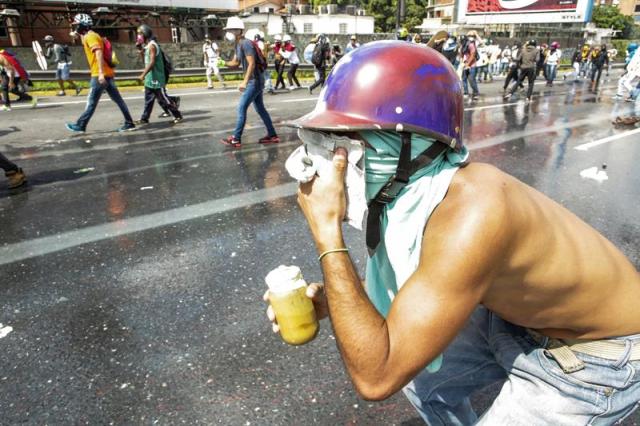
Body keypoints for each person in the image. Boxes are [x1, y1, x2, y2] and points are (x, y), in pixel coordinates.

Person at [266, 40, 640, 425]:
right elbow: (418, 278)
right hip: (521, 320)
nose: (335, 167)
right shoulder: (418, 191)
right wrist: (338, 300)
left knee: (400, 366)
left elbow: (376, 377)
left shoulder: (473, 212)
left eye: (349, 148)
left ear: (412, 146)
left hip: (597, 353)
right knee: (424, 381)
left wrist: (328, 234)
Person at [65, 14, 135, 133]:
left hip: (99, 74)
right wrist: (77, 35)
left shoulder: (91, 37)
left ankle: (81, 125)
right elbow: (85, 41)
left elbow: (98, 53)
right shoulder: (91, 35)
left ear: (83, 25)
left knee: (91, 102)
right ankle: (129, 123)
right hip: (107, 74)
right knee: (118, 100)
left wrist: (101, 73)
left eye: (77, 25)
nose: (75, 27)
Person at [220, 16, 279, 148]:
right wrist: (223, 62)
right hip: (255, 80)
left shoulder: (245, 43)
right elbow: (235, 62)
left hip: (254, 81)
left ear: (237, 31)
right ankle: (272, 135)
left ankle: (236, 138)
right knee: (261, 109)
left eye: (230, 30)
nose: (228, 33)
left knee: (241, 108)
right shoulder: (238, 44)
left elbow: (251, 63)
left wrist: (244, 82)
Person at [134, 24, 182, 126]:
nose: (138, 36)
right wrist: (140, 50)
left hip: (156, 79)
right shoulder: (147, 46)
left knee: (163, 99)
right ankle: (144, 118)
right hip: (149, 79)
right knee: (148, 101)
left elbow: (152, 63)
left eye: (140, 34)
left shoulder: (152, 46)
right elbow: (146, 62)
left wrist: (142, 75)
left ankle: (177, 115)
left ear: (145, 34)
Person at [461, 31, 479, 100]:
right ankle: (466, 92)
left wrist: (468, 64)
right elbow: (461, 55)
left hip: (472, 65)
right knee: (464, 79)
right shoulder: (462, 46)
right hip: (465, 64)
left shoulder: (471, 45)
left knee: (471, 80)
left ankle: (476, 93)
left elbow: (473, 55)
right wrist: (462, 62)